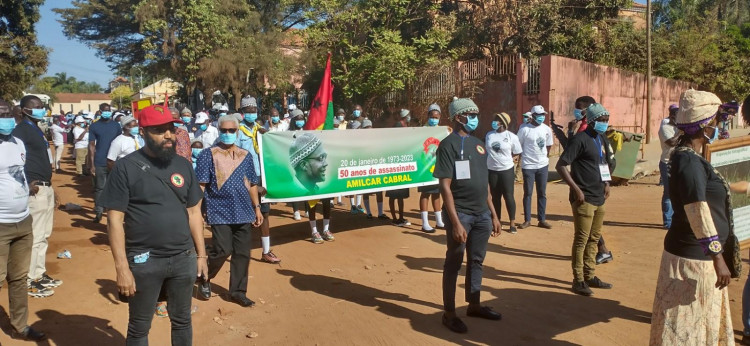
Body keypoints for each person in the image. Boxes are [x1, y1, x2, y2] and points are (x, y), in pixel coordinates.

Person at [101, 104, 208, 344]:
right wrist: (122, 268)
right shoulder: (125, 167)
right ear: (143, 132)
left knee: (182, 321)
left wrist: (201, 256)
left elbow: (193, 212)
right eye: (160, 130)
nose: (168, 135)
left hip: (183, 258)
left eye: (171, 128)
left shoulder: (183, 165)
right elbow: (115, 219)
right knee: (139, 328)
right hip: (144, 261)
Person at [649, 89, 733, 345]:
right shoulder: (689, 162)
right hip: (693, 261)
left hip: (695, 257)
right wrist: (717, 256)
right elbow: (697, 210)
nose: (720, 125)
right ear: (706, 125)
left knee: (699, 323)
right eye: (717, 121)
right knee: (686, 328)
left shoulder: (691, 158)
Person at [435, 97, 502, 334]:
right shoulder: (447, 145)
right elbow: (444, 186)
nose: (474, 118)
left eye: (476, 113)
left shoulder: (479, 144)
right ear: (458, 117)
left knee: (476, 261)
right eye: (470, 114)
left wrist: (493, 214)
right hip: (461, 214)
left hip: (482, 214)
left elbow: (485, 185)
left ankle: (474, 305)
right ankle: (449, 313)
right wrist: (455, 222)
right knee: (453, 263)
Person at [195, 114, 264, 306]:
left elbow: (252, 184)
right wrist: (197, 212)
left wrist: (256, 207)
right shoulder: (207, 155)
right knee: (222, 249)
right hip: (219, 210)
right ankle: (203, 277)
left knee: (242, 253)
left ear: (237, 131)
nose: (227, 134)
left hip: (243, 211)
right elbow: (201, 186)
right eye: (224, 130)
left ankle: (238, 292)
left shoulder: (246, 155)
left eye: (231, 130)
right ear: (219, 131)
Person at [556, 103, 616, 296]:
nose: (604, 124)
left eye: (606, 120)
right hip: (584, 198)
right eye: (601, 120)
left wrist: (607, 183)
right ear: (591, 121)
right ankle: (578, 279)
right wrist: (576, 189)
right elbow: (561, 165)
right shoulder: (580, 140)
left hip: (599, 196)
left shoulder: (600, 139)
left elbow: (603, 163)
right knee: (581, 239)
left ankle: (590, 275)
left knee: (594, 238)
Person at [0, 99, 47, 341]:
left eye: (8, 113)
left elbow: (15, 174)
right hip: (1, 224)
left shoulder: (17, 142)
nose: (6, 118)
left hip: (23, 221)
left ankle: (20, 326)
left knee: (18, 278)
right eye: (1, 114)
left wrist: (26, 187)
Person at [12, 95, 60, 298]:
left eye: (42, 107)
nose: (41, 110)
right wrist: (26, 182)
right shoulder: (21, 131)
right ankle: (30, 280)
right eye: (36, 107)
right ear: (24, 110)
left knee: (44, 235)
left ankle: (39, 274)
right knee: (35, 236)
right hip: (35, 189)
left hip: (45, 187)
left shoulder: (35, 129)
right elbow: (15, 159)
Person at [236, 96, 280, 263]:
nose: (252, 113)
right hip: (244, 177)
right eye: (248, 111)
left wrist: (267, 136)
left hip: (261, 176)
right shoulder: (238, 131)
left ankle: (266, 251)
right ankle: (241, 252)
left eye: (254, 111)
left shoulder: (260, 130)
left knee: (265, 213)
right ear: (242, 113)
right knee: (245, 215)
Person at [517, 105, 554, 229]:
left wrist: (544, 157)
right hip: (528, 166)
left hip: (542, 165)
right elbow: (518, 145)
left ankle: (541, 219)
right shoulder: (524, 129)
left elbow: (548, 145)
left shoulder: (546, 129)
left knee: (542, 193)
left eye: (543, 115)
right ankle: (527, 220)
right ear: (532, 116)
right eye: (539, 115)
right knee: (528, 193)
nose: (541, 117)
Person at [486, 112, 522, 234]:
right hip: (492, 170)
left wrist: (508, 160)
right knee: (495, 197)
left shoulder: (512, 136)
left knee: (508, 196)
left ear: (503, 123)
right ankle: (497, 221)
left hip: (506, 170)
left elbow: (517, 152)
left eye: (497, 120)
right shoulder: (489, 135)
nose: (494, 122)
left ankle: (512, 223)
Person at [88, 102, 121, 223]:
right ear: (100, 111)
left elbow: (120, 142)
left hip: (114, 161)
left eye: (109, 110)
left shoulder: (116, 125)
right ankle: (98, 212)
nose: (107, 112)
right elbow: (91, 145)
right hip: (100, 161)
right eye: (105, 110)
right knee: (99, 188)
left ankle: (112, 212)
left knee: (114, 188)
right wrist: (91, 165)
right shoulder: (94, 126)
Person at [418, 103, 445, 232]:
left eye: (437, 116)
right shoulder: (423, 130)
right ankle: (425, 223)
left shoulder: (442, 130)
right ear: (428, 116)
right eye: (432, 116)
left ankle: (439, 221)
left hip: (438, 166)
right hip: (425, 167)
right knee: (425, 194)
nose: (434, 119)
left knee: (437, 194)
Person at [387, 109, 411, 227]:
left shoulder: (406, 126)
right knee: (393, 194)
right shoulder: (397, 126)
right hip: (395, 163)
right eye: (408, 115)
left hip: (403, 163)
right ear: (405, 116)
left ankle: (401, 217)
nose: (409, 117)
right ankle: (394, 218)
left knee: (400, 194)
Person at [658, 104, 679, 230]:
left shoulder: (678, 127)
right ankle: (668, 221)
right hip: (667, 163)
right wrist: (681, 132)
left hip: (679, 162)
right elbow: (671, 142)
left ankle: (676, 219)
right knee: (669, 193)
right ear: (672, 115)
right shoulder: (665, 126)